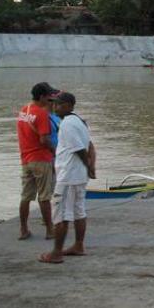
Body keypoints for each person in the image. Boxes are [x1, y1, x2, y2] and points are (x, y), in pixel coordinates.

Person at [39, 92, 92, 264]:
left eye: (59, 104)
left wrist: (89, 166)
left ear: (69, 105)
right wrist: (89, 167)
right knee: (78, 211)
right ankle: (78, 245)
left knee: (61, 214)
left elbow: (79, 149)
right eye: (54, 104)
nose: (55, 107)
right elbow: (89, 146)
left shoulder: (68, 124)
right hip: (78, 175)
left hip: (69, 175)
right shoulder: (78, 121)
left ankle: (56, 253)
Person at [17, 82, 59, 241]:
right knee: (44, 196)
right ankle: (50, 230)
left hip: (25, 159)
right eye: (48, 96)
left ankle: (23, 229)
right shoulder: (41, 114)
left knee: (26, 196)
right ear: (42, 96)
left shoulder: (23, 110)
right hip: (41, 159)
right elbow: (44, 139)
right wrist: (55, 152)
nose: (50, 99)